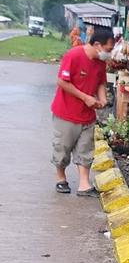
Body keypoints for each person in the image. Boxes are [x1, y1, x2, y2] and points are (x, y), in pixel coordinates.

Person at [51, 25, 114, 196]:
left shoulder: (101, 62)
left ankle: (84, 184)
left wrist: (103, 99)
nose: (109, 53)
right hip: (66, 112)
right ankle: (60, 178)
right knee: (62, 148)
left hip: (87, 115)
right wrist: (85, 97)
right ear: (97, 45)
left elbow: (101, 82)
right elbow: (62, 82)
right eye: (108, 49)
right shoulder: (74, 55)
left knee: (86, 149)